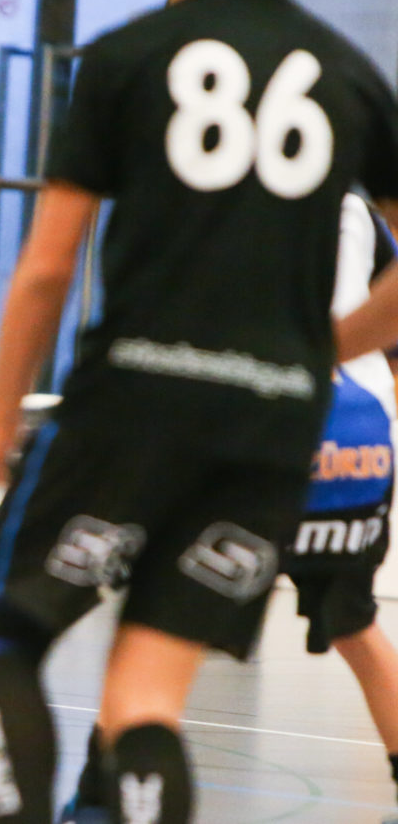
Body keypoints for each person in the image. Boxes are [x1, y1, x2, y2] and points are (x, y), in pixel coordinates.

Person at [0, 0, 398, 821]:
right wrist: (319, 349)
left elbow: (46, 266)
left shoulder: (129, 56)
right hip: (275, 420)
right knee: (147, 695)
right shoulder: (351, 72)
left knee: (3, 636)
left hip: (133, 402)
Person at [58, 195, 398, 824]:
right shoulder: (358, 189)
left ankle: (100, 800)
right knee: (352, 623)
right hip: (359, 426)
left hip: (255, 414)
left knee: (153, 633)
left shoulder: (211, 183)